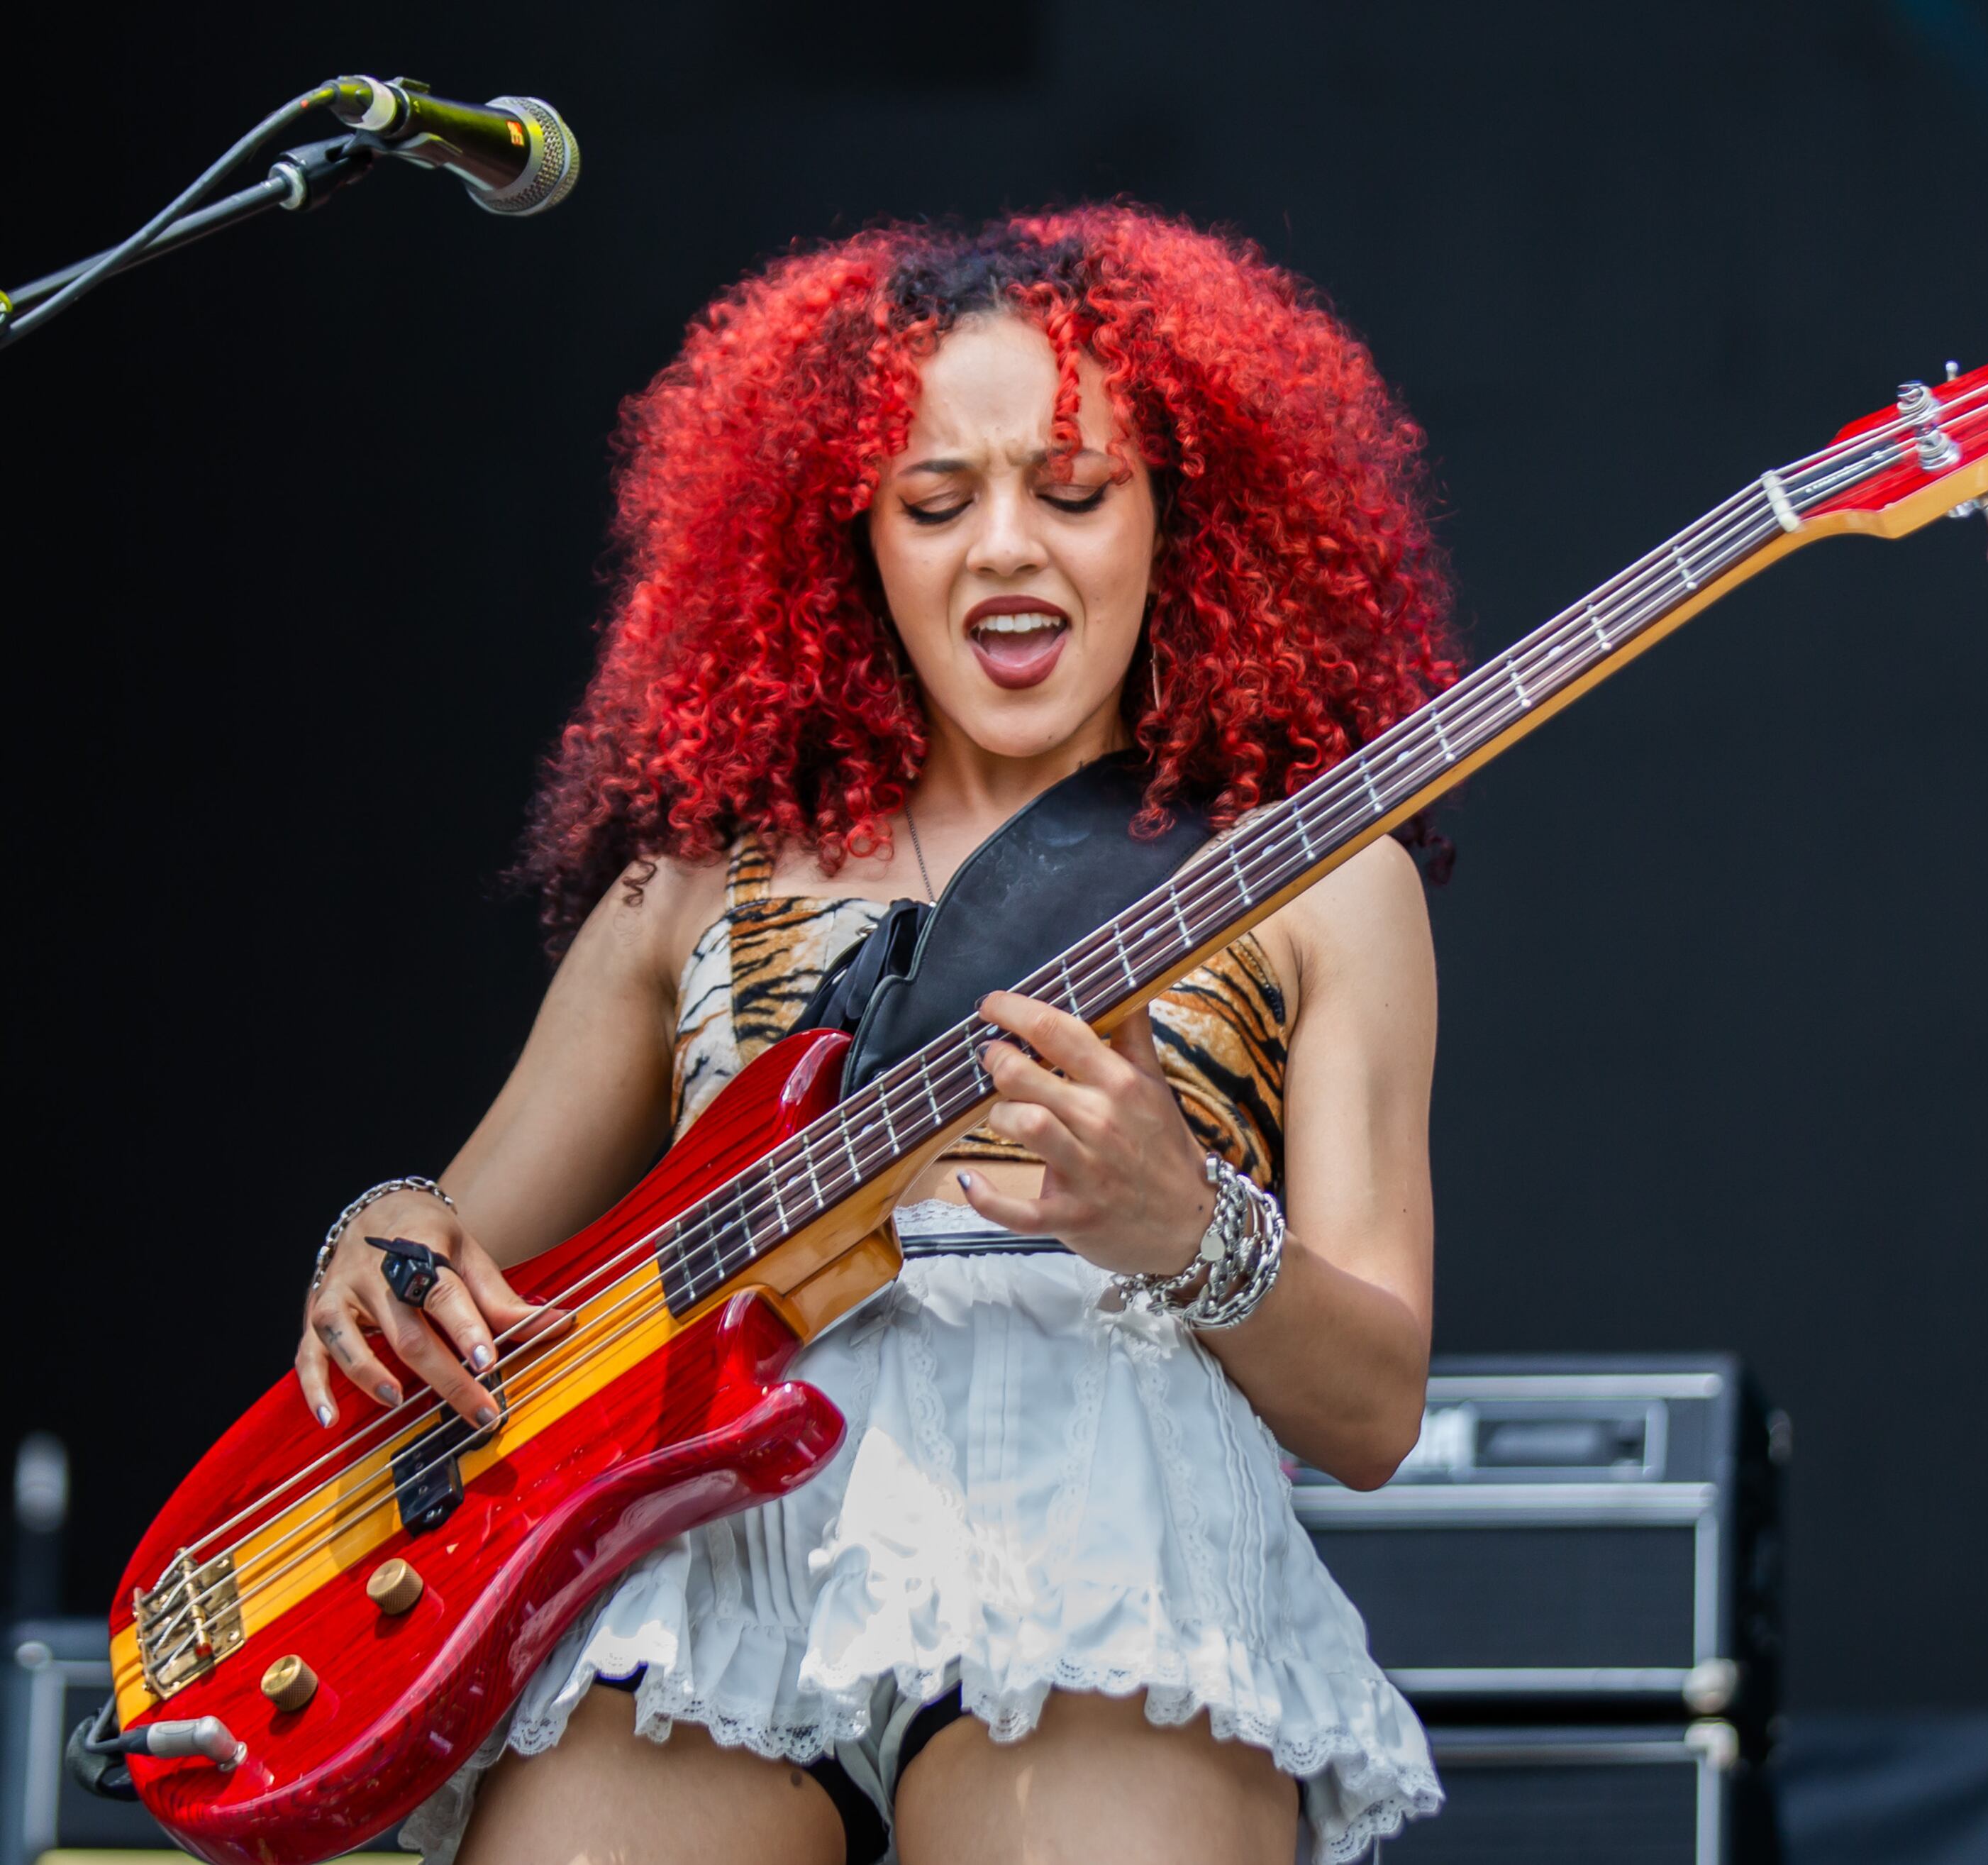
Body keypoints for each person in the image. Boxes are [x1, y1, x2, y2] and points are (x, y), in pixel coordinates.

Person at [293, 207, 1453, 1865]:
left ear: (1177, 520)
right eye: (934, 503)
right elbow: (459, 1254)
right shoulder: (690, 893)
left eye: (1073, 492)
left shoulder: (1322, 880)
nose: (1005, 551)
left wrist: (1187, 1226)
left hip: (1104, 1554)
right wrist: (380, 1241)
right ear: (850, 542)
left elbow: (1377, 1405)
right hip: (702, 1570)